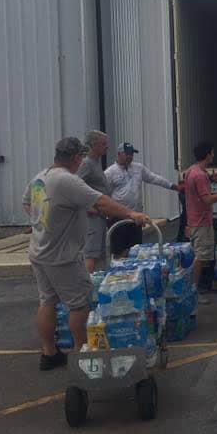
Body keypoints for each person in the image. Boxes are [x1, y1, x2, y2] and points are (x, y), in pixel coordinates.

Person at [22, 137, 149, 371]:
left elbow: (27, 203)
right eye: (80, 157)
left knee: (47, 301)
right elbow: (102, 202)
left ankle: (49, 353)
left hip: (39, 250)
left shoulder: (41, 176)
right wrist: (131, 214)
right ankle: (83, 356)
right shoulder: (67, 180)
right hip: (62, 256)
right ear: (75, 158)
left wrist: (46, 220)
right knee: (79, 305)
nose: (81, 161)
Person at [105, 142, 182, 255]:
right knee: (118, 251)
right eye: (127, 154)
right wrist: (108, 213)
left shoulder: (138, 168)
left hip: (136, 216)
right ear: (119, 154)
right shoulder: (109, 172)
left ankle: (135, 271)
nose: (130, 156)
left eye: (132, 154)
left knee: (136, 249)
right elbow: (105, 194)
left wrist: (174, 186)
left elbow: (154, 178)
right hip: (118, 217)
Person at [183, 141, 217, 303]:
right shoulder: (199, 175)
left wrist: (211, 178)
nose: (213, 155)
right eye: (212, 153)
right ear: (207, 155)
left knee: (200, 255)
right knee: (200, 257)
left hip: (194, 219)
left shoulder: (193, 171)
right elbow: (207, 200)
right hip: (201, 221)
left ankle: (195, 286)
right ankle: (194, 291)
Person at [77, 130, 111, 272]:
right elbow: (74, 185)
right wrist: (88, 207)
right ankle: (87, 286)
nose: (106, 147)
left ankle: (95, 286)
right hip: (92, 218)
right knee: (90, 254)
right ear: (94, 145)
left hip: (100, 216)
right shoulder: (86, 164)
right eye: (103, 144)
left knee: (98, 254)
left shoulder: (95, 163)